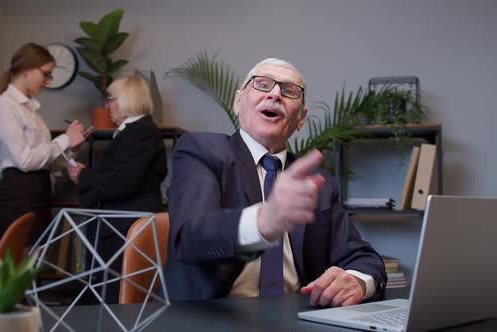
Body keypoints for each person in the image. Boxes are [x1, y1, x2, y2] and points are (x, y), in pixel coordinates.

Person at [162, 58, 387, 306]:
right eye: (262, 84)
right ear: (239, 102)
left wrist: (355, 281)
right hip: (211, 318)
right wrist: (263, 221)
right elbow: (191, 236)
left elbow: (363, 258)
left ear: (301, 118)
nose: (276, 94)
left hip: (295, 319)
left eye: (289, 91)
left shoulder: (318, 183)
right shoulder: (201, 150)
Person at [67, 74, 168, 303]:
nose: (107, 105)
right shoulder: (136, 131)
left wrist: (84, 175)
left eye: (110, 98)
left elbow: (123, 182)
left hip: (125, 227)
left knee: (116, 297)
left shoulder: (139, 131)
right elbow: (119, 176)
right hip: (122, 225)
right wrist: (88, 175)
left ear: (126, 99)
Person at [0, 42, 85, 245]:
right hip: (17, 199)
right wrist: (64, 139)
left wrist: (71, 148)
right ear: (27, 69)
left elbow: (46, 163)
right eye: (46, 74)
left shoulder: (31, 111)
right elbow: (25, 161)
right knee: (19, 272)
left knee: (34, 272)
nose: (47, 81)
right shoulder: (4, 105)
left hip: (38, 196)